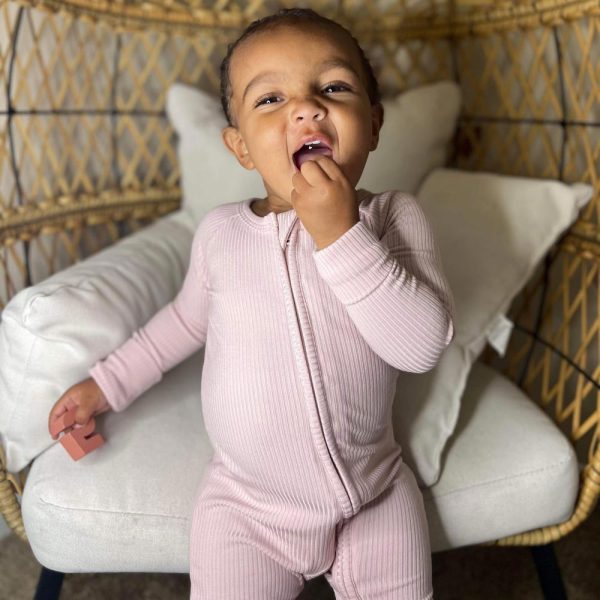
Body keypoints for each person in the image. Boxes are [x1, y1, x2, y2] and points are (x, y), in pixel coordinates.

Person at [48, 8, 455, 599]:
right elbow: (184, 324)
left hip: (374, 491)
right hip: (248, 508)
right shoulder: (222, 235)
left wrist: (341, 235)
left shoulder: (393, 219)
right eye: (270, 100)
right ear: (240, 147)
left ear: (373, 121)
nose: (307, 108)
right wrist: (105, 385)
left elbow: (420, 346)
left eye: (334, 88)